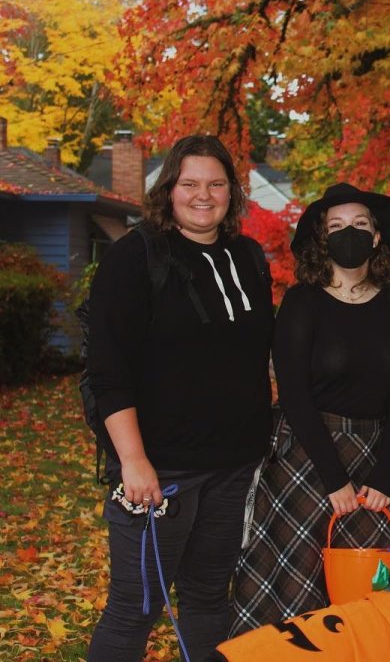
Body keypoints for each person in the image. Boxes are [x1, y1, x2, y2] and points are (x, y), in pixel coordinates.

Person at [86, 135, 274, 662]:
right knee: (135, 607)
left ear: (232, 193)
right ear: (168, 189)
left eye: (216, 184)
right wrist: (133, 460)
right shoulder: (135, 257)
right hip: (162, 472)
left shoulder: (248, 257)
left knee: (211, 598)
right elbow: (108, 372)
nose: (203, 195)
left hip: (234, 467)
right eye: (189, 183)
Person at [230, 182, 390, 633]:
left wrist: (382, 476)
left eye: (359, 225)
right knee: (299, 593)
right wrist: (334, 478)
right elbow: (293, 394)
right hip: (309, 458)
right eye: (336, 226)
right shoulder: (303, 302)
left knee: (370, 595)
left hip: (379, 457)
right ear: (322, 238)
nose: (348, 233)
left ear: (376, 236)